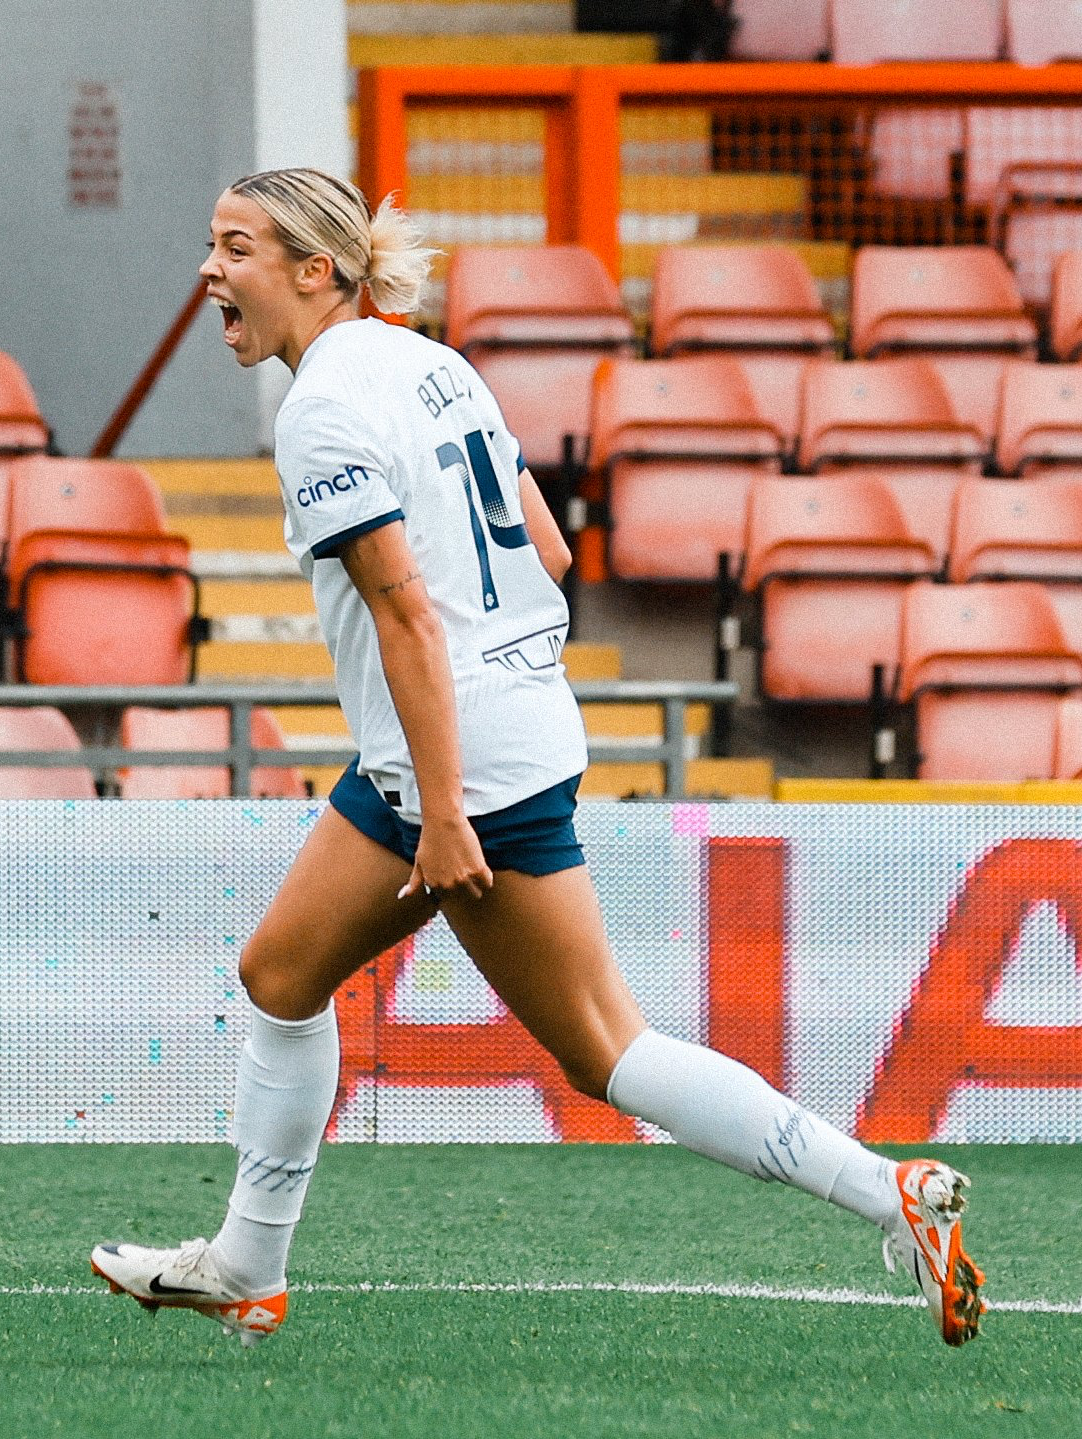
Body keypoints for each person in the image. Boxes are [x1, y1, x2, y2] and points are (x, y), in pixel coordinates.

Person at [91, 170, 984, 1349]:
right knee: (282, 974)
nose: (210, 269)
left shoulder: (320, 409)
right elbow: (549, 552)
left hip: (453, 761)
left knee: (605, 1048)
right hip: (490, 729)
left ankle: (884, 1189)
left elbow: (406, 614)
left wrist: (445, 809)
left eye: (236, 247)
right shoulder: (436, 364)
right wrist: (489, 691)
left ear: (315, 271)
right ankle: (245, 1268)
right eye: (213, 244)